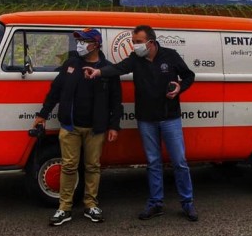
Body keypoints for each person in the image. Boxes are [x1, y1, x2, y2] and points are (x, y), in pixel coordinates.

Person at [84, 24, 198, 221]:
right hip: (146, 120)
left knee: (179, 162)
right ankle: (155, 203)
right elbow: (118, 68)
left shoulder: (170, 56)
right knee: (153, 163)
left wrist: (180, 87)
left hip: (170, 118)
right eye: (133, 42)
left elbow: (189, 76)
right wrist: (98, 72)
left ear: (150, 42)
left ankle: (187, 203)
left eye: (138, 42)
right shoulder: (135, 59)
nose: (134, 46)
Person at [34, 28, 122, 227]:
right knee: (69, 166)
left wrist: (114, 126)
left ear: (96, 44)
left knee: (92, 167)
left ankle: (90, 204)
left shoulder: (108, 70)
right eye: (79, 40)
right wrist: (42, 115)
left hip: (96, 129)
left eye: (84, 40)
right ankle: (64, 208)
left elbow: (116, 102)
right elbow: (55, 91)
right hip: (70, 127)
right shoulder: (71, 64)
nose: (80, 44)